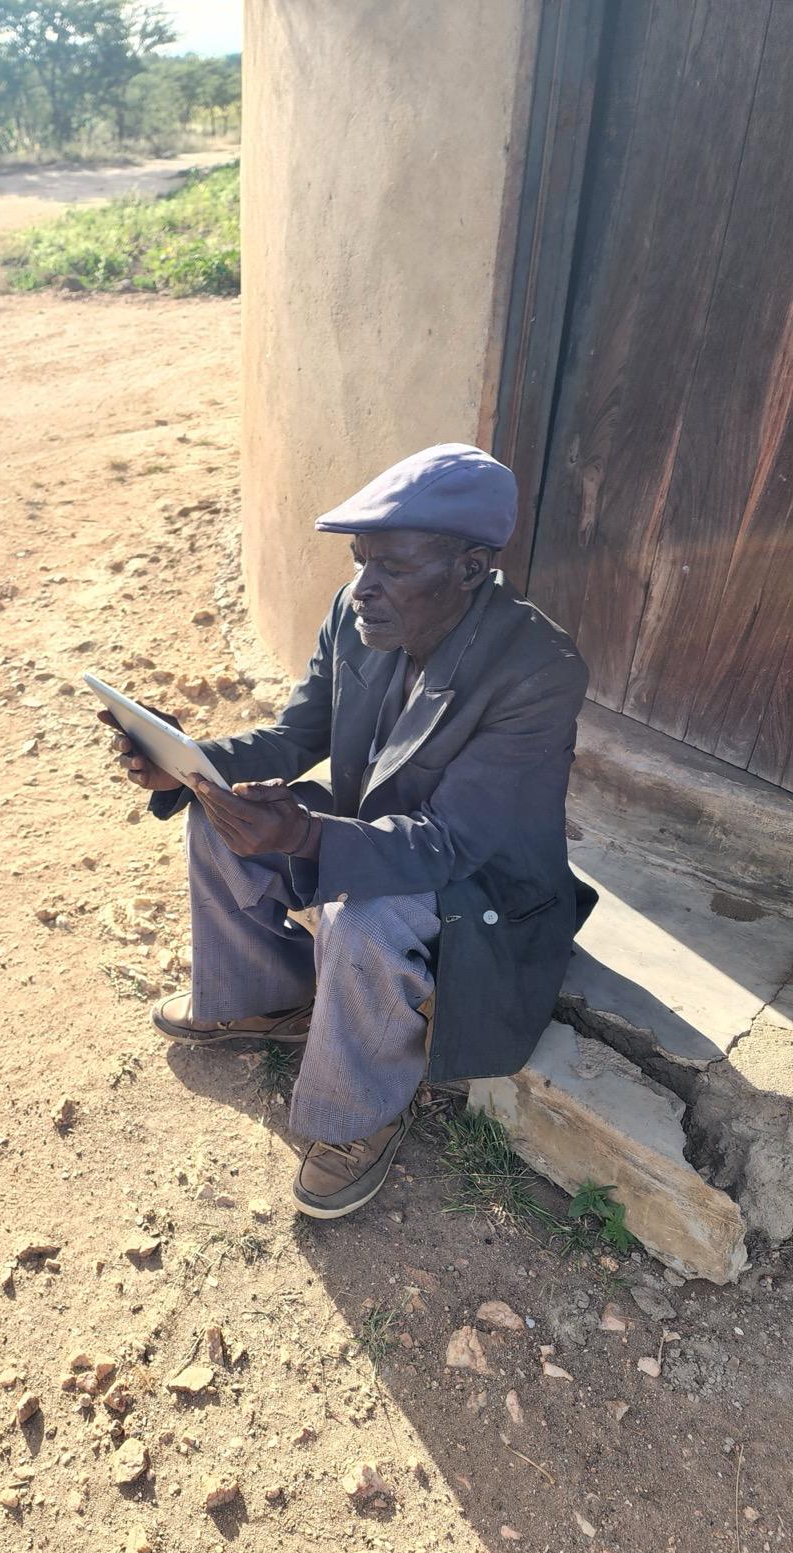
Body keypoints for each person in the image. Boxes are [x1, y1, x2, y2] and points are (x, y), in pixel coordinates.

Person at [101, 443, 596, 1220]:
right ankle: (268, 1000)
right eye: (361, 562)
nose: (363, 588)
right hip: (387, 831)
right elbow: (303, 732)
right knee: (217, 820)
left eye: (391, 568)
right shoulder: (358, 611)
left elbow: (449, 846)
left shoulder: (538, 669)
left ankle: (357, 1116)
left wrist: (303, 836)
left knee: (362, 917)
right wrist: (191, 766)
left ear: (469, 568)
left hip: (482, 882)